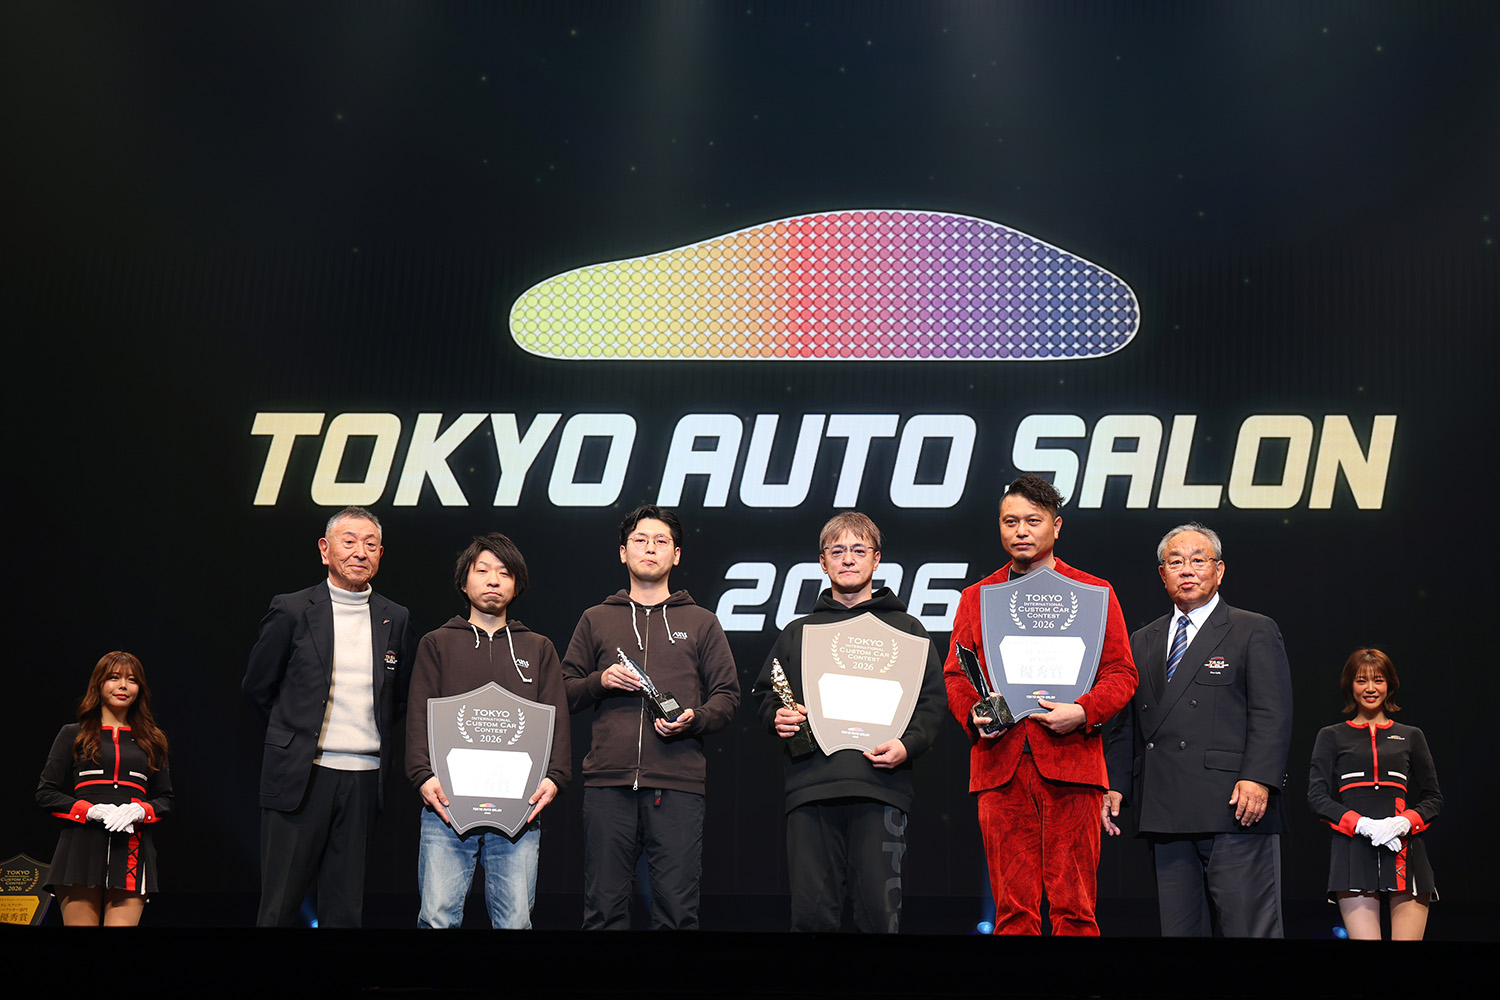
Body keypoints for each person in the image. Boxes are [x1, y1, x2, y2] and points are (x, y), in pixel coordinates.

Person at [943, 475, 1137, 935]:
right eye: (1010, 522)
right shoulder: (977, 597)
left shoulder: (1093, 592)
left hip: (1072, 763)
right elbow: (956, 675)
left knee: (1076, 910)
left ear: (1057, 526)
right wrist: (974, 713)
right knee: (1013, 913)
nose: (1021, 531)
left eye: (1033, 521)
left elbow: (1121, 673)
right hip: (1001, 765)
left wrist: (1083, 711)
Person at [751, 513, 946, 933]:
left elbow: (931, 702)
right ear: (823, 562)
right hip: (812, 787)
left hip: (881, 786)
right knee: (811, 916)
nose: (848, 559)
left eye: (859, 550)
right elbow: (768, 695)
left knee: (879, 916)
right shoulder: (798, 632)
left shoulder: (908, 630)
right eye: (837, 551)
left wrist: (908, 745)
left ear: (877, 559)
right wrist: (777, 716)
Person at [1103, 523, 1293, 937]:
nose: (1186, 570)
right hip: (1164, 810)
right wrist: (1116, 785)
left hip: (1234, 807)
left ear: (1219, 570)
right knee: (1180, 933)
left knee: (1250, 929)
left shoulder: (1252, 629)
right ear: (1162, 574)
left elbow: (1272, 713)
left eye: (1197, 560)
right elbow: (1127, 723)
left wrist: (1259, 778)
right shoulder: (1143, 639)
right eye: (1175, 562)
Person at [561, 504, 740, 930]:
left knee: (677, 914)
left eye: (661, 541)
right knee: (603, 912)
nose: (650, 548)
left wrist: (695, 718)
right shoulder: (596, 618)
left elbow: (728, 697)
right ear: (623, 552)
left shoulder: (701, 622)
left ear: (676, 555)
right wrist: (601, 680)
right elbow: (563, 691)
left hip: (677, 785)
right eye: (640, 540)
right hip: (608, 784)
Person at [243, 506, 415, 927]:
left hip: (363, 779)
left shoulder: (395, 617)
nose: (360, 552)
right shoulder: (291, 609)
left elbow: (398, 699)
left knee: (345, 909)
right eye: (349, 541)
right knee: (279, 906)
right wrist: (295, 737)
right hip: (302, 776)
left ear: (380, 554)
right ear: (325, 550)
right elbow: (258, 687)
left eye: (370, 544)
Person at [405, 532, 571, 929]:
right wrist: (422, 776)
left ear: (517, 585)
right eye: (482, 571)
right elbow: (418, 715)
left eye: (504, 572)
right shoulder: (437, 643)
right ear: (464, 582)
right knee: (437, 917)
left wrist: (555, 777)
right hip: (446, 806)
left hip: (519, 810)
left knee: (515, 921)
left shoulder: (538, 648)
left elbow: (557, 718)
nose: (493, 580)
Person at [1307, 648, 1439, 940]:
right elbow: (1316, 797)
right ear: (1349, 685)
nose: (1370, 688)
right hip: (1353, 851)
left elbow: (1433, 797)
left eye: (1378, 680)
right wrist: (1361, 824)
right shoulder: (1331, 735)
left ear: (1389, 685)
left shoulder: (1411, 735)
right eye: (1361, 680)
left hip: (1404, 849)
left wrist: (1404, 822)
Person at [37, 651, 172, 926]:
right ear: (98, 684)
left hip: (131, 848)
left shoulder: (153, 740)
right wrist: (89, 810)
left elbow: (166, 798)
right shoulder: (73, 733)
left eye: (132, 680)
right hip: (80, 847)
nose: (123, 685)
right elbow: (45, 792)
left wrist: (141, 810)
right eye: (114, 677)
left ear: (140, 688)